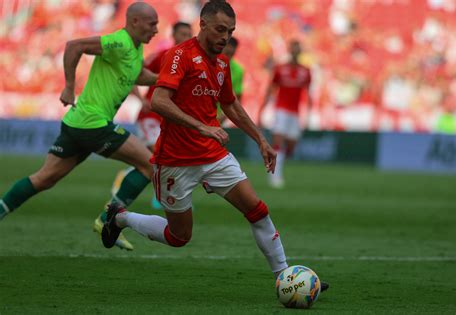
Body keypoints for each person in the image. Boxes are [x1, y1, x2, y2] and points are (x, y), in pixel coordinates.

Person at [101, 0, 328, 291]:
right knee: (178, 237)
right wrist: (202, 126)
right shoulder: (179, 56)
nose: (225, 37)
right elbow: (159, 100)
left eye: (230, 32)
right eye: (220, 29)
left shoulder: (222, 64)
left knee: (257, 210)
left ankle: (286, 277)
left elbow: (230, 104)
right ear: (203, 24)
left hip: (213, 155)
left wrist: (260, 139)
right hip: (175, 160)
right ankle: (120, 218)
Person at [0, 2, 159, 252]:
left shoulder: (135, 49)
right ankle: (107, 219)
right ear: (135, 22)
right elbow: (75, 45)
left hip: (77, 123)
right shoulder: (118, 41)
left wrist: (166, 80)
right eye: (152, 24)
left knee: (44, 178)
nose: (156, 30)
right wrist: (69, 86)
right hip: (93, 124)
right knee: (150, 165)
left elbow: (138, 75)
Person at [104, 21, 192, 215]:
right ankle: (161, 195)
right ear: (174, 35)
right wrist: (138, 97)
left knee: (163, 157)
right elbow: (133, 73)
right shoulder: (163, 56)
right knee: (157, 153)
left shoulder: (193, 61)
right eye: (182, 33)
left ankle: (131, 176)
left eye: (189, 34)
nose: (186, 38)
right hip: (151, 113)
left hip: (169, 118)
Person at [258, 40, 312, 189]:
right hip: (281, 110)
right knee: (278, 142)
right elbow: (271, 89)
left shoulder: (306, 71)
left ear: (300, 50)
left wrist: (309, 113)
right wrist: (261, 110)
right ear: (289, 50)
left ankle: (276, 164)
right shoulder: (280, 69)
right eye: (293, 47)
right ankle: (275, 175)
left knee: (291, 145)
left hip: (295, 113)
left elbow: (308, 93)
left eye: (298, 47)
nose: (295, 50)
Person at [217, 36, 244, 124]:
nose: (228, 56)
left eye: (231, 54)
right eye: (226, 52)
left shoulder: (238, 70)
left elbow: (237, 96)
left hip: (221, 116)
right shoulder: (211, 62)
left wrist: (224, 117)